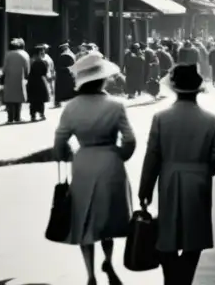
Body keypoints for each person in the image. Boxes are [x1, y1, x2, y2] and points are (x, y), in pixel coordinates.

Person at [139, 64, 215, 285]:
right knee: (195, 236)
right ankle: (185, 278)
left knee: (167, 234)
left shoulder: (161, 118)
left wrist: (145, 189)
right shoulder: (211, 120)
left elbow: (152, 155)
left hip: (170, 178)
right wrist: (206, 169)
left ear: (175, 88)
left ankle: (171, 277)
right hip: (198, 179)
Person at [53, 51, 137, 285]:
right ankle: (108, 260)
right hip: (110, 162)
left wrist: (68, 155)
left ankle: (90, 274)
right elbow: (129, 140)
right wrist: (119, 155)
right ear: (102, 78)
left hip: (84, 162)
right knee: (108, 217)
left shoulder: (70, 108)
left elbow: (60, 141)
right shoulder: (116, 105)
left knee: (83, 218)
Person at [2, 38, 30, 124]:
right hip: (20, 79)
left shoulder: (8, 54)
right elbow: (27, 69)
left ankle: (10, 118)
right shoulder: (25, 54)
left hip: (9, 79)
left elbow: (4, 68)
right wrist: (26, 76)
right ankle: (17, 117)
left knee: (10, 99)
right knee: (18, 98)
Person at [27, 44, 53, 121]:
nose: (43, 53)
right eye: (42, 52)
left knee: (32, 100)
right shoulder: (43, 62)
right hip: (40, 82)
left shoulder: (30, 62)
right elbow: (45, 73)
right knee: (40, 100)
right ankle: (41, 114)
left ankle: (33, 115)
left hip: (31, 82)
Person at [55, 43, 76, 107]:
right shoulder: (71, 54)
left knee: (61, 88)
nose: (62, 48)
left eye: (63, 47)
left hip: (64, 74)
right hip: (68, 73)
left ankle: (58, 102)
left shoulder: (66, 55)